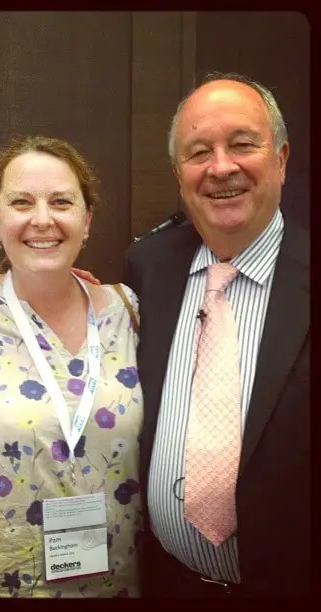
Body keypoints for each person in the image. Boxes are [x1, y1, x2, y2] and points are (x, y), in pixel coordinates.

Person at [0, 135, 144, 598]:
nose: (42, 219)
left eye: (61, 202)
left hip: (111, 580)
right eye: (21, 202)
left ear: (87, 219)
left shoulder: (127, 311)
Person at [123, 72, 310, 597]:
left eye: (243, 144)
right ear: (178, 175)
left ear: (281, 159)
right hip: (165, 582)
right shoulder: (147, 267)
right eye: (199, 152)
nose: (221, 167)